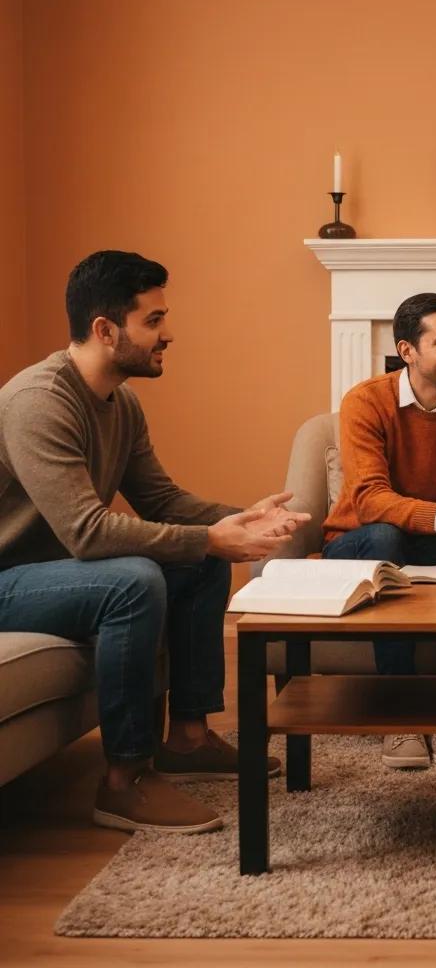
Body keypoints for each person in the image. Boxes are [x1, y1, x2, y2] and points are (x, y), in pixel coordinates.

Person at [0, 250, 308, 834]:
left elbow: (162, 501)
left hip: (57, 571)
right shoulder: (38, 403)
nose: (169, 334)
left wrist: (239, 520)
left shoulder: (122, 403)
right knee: (136, 579)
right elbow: (87, 532)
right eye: (154, 320)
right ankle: (124, 779)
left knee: (197, 559)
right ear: (104, 329)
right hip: (9, 581)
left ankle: (188, 738)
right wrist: (209, 538)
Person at [322, 292, 436, 770]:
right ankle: (399, 710)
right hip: (358, 541)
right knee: (386, 538)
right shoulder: (365, 401)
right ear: (407, 351)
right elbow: (369, 500)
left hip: (432, 540)